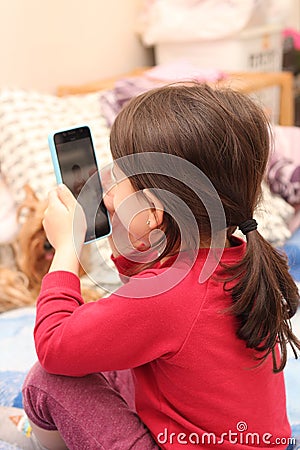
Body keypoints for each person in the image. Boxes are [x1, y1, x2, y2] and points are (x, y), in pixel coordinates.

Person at [22, 83, 300, 450]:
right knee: (114, 360)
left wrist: (66, 249)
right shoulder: (239, 257)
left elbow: (54, 345)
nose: (105, 182)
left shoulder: (168, 294)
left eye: (118, 174)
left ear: (153, 212)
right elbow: (149, 319)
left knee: (49, 379)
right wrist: (127, 238)